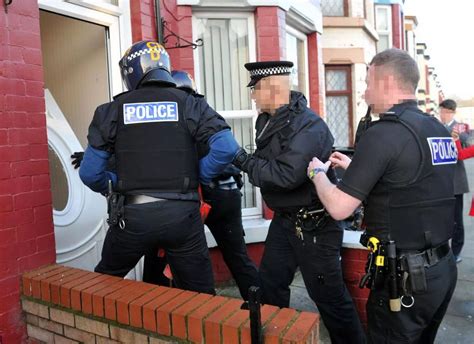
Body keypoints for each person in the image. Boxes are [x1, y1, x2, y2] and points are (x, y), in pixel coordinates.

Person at [308, 48, 457, 343]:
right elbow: (411, 185)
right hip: (441, 270)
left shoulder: (384, 133)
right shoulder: (436, 128)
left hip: (403, 281)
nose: (364, 92)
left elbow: (339, 208)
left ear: (387, 82)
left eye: (367, 83)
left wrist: (318, 175)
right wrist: (359, 170)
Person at [78, 41, 242, 294]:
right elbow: (227, 147)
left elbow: (90, 174)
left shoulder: (110, 110)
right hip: (183, 217)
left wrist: (118, 182)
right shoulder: (191, 104)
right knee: (203, 298)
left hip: (132, 218)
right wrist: (199, 174)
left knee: (104, 287)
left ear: (131, 72)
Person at [232, 61, 365, 344]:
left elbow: (285, 175)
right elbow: (267, 163)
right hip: (285, 220)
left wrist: (242, 160)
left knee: (328, 297)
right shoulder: (266, 120)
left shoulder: (310, 127)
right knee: (270, 285)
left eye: (255, 90)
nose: (253, 97)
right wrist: (250, 163)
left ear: (273, 89)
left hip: (315, 225)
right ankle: (277, 337)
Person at [142, 70, 260, 300]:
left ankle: (162, 309)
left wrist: (197, 176)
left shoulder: (174, 114)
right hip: (229, 194)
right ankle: (263, 310)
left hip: (200, 198)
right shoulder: (205, 111)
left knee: (167, 254)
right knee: (237, 257)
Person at [439, 99, 469, 263]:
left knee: (457, 219)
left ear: (450, 111)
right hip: (441, 181)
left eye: (442, 111)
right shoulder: (437, 127)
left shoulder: (461, 127)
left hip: (456, 182)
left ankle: (456, 251)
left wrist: (457, 137)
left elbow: (467, 142)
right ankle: (444, 250)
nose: (441, 115)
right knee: (443, 218)